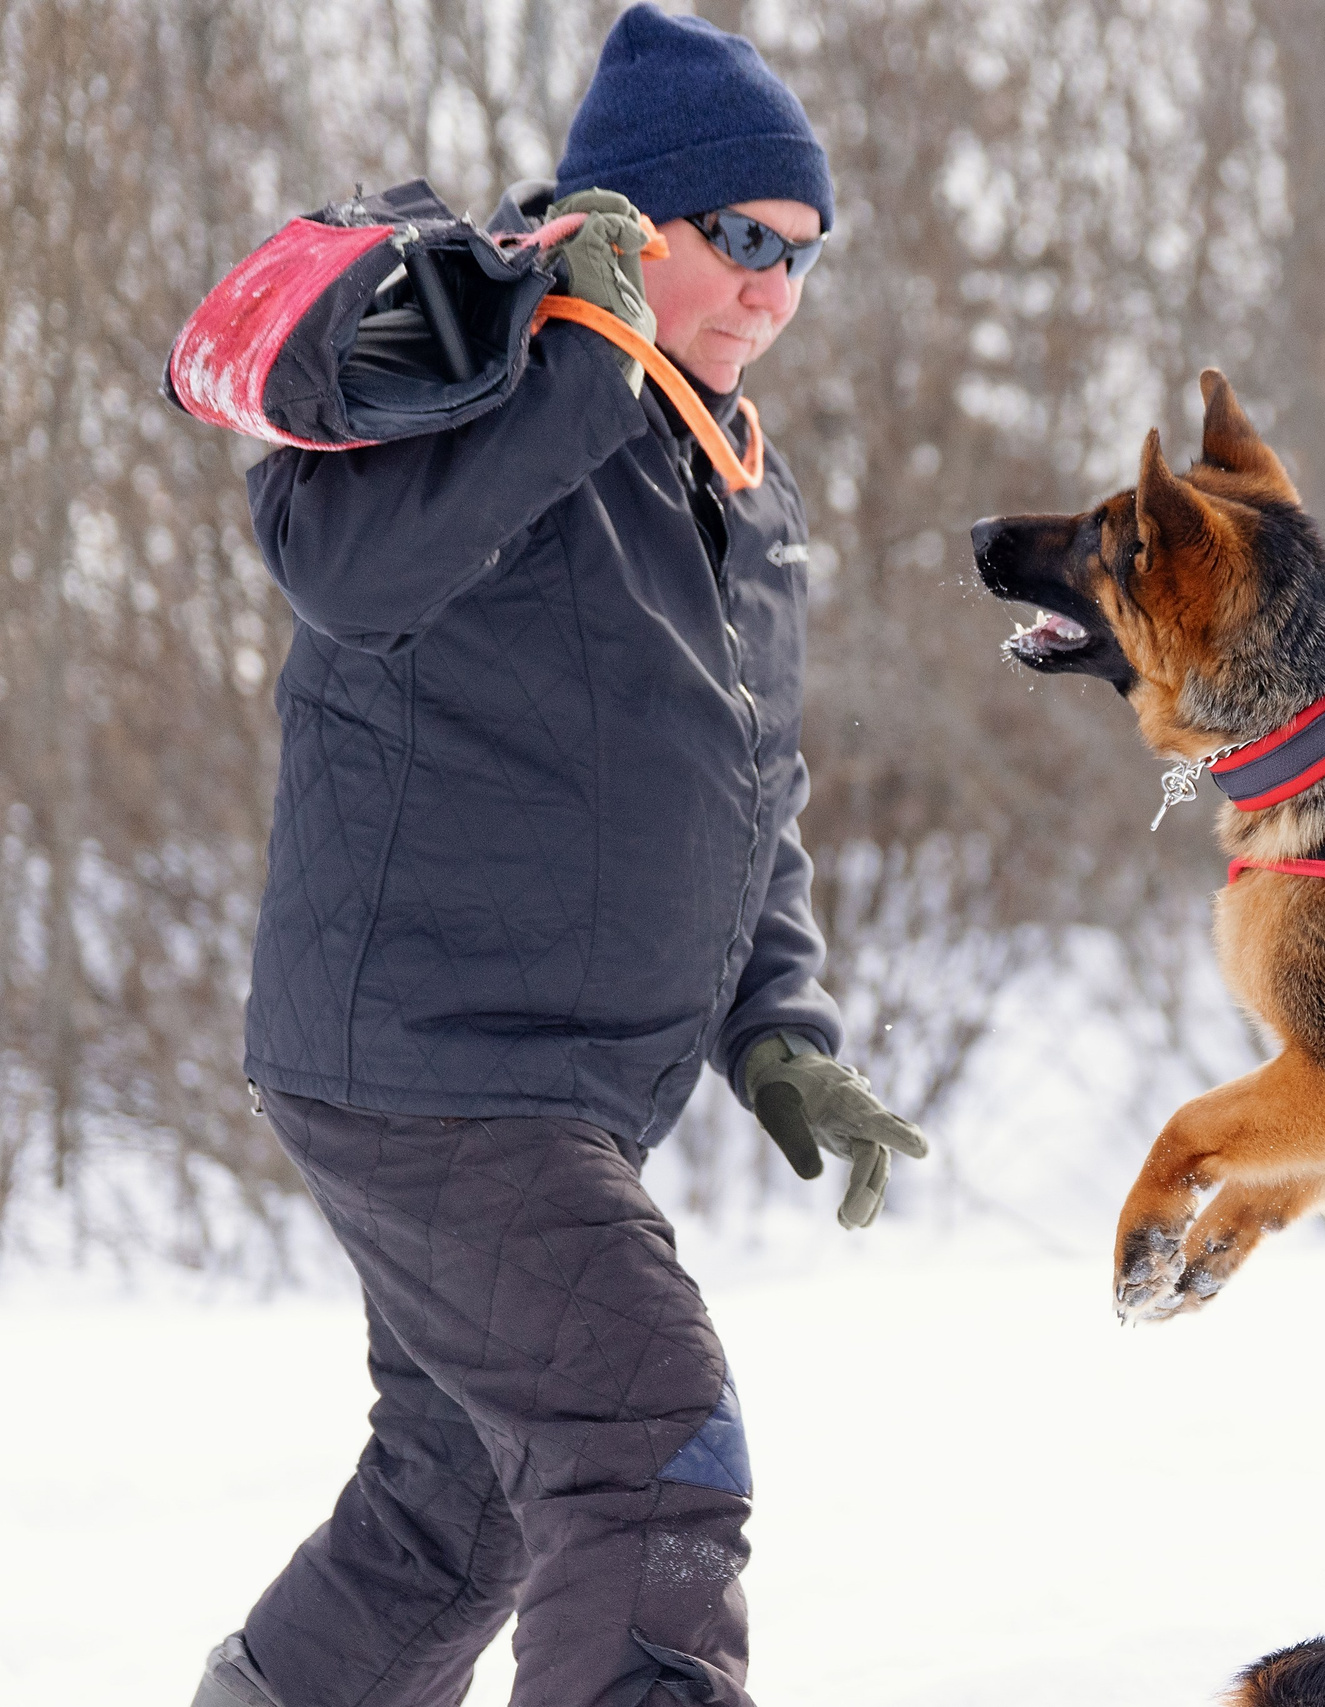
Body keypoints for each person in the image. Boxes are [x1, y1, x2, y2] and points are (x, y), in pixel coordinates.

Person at [190, 8, 924, 1705]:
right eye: (740, 241)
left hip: (553, 1083)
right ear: (629, 219)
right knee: (653, 1442)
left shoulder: (739, 472)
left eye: (804, 257)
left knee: (458, 1508)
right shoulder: (486, 363)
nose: (773, 292)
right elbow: (347, 572)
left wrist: (783, 1031)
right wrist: (578, 354)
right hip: (431, 1061)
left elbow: (742, 781)